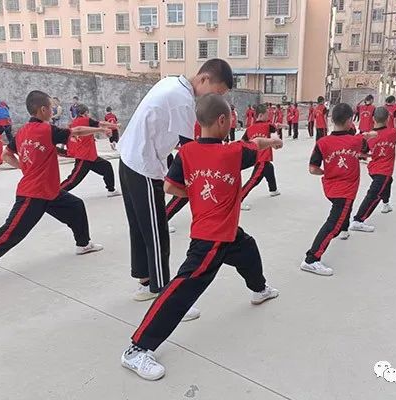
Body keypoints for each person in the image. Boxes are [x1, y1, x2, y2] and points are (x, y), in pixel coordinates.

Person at [121, 94, 281, 381]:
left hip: (227, 234)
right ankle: (138, 349)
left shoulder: (187, 152)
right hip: (211, 240)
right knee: (182, 291)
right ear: (222, 121)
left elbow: (170, 186)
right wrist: (271, 142)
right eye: (230, 118)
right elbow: (254, 145)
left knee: (248, 250)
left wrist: (196, 194)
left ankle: (260, 289)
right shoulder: (233, 153)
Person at [0, 90, 108, 294]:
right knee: (9, 234)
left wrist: (23, 168)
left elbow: (6, 155)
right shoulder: (47, 130)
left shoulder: (22, 132)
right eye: (51, 107)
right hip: (33, 194)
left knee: (76, 206)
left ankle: (83, 244)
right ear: (43, 110)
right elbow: (77, 131)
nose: (53, 110)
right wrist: (101, 129)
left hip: (50, 191)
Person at [118, 58, 233, 308]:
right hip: (143, 165)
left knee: (141, 227)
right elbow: (191, 148)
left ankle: (145, 280)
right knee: (157, 233)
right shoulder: (182, 99)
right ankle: (163, 295)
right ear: (203, 79)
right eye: (217, 93)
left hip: (129, 158)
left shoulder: (171, 83)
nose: (215, 100)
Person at [300, 103, 376, 276]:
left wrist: (326, 172)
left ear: (332, 119)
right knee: (332, 225)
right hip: (345, 191)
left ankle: (344, 229)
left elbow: (313, 169)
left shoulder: (322, 142)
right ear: (350, 121)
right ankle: (311, 259)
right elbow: (368, 142)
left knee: (341, 217)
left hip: (330, 187)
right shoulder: (356, 141)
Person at [350, 107, 396, 233]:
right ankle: (358, 220)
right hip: (383, 170)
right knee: (374, 194)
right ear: (388, 119)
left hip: (373, 168)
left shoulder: (369, 136)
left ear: (373, 119)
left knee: (388, 182)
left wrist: (370, 155)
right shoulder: (393, 132)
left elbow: (361, 153)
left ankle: (386, 204)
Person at [59, 104, 121, 197]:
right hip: (84, 157)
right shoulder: (86, 120)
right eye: (88, 113)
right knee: (72, 180)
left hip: (91, 156)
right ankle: (54, 194)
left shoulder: (73, 123)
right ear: (85, 113)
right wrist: (115, 125)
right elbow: (101, 123)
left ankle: (111, 190)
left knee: (107, 166)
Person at [240, 104, 285, 211]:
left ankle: (273, 189)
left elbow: (243, 143)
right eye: (266, 114)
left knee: (269, 168)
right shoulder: (268, 125)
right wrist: (276, 143)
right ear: (261, 115)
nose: (268, 116)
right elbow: (275, 134)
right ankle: (239, 199)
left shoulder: (249, 129)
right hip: (262, 158)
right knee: (254, 180)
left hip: (255, 157)